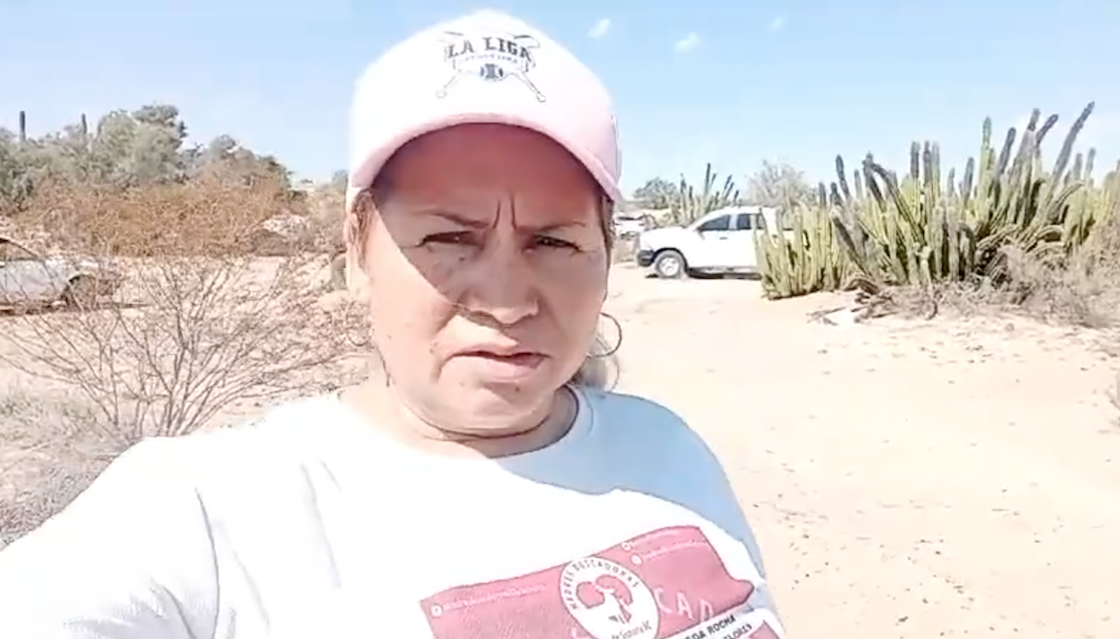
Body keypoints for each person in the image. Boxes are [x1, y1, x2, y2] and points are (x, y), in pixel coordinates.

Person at [0, 10, 785, 639]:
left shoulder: (668, 452)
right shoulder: (209, 511)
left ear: (606, 255)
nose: (507, 297)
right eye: (449, 238)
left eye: (552, 241)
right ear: (357, 250)